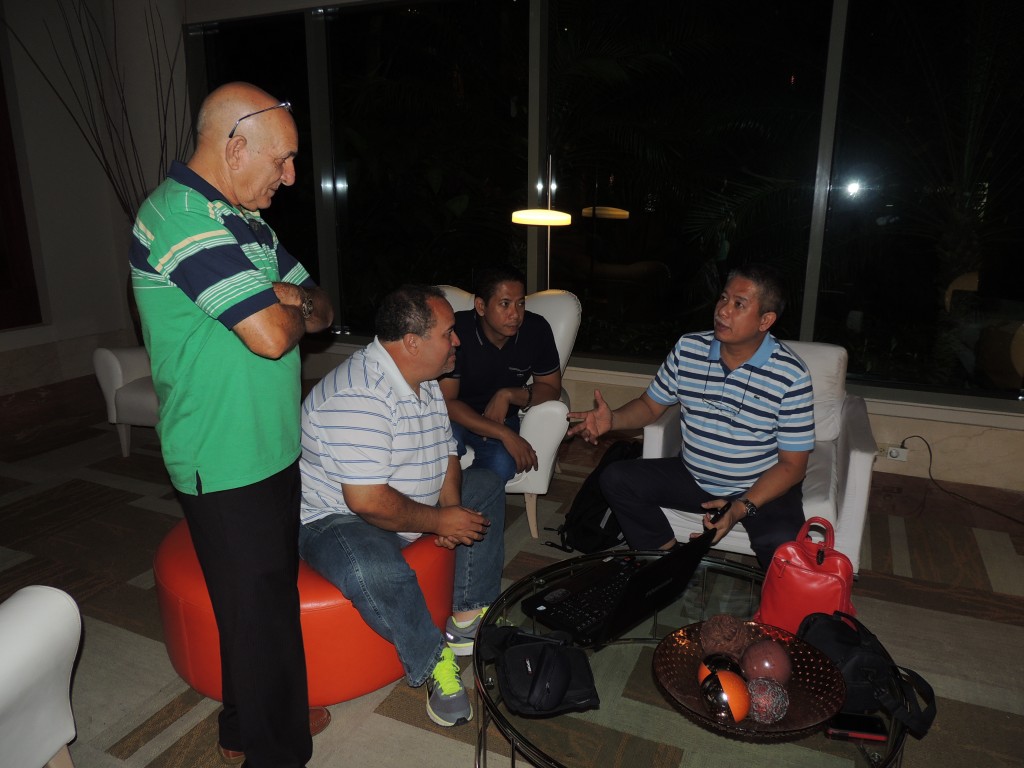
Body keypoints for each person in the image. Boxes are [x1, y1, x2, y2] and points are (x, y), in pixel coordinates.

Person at [129, 82, 334, 767]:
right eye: (284, 160)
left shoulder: (247, 220)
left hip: (272, 445)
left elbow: (322, 310)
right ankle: (278, 753)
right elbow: (276, 339)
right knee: (258, 609)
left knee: (256, 602)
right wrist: (283, 299)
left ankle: (244, 721)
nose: (292, 176)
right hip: (220, 454)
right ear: (234, 145)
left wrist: (285, 296)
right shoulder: (180, 217)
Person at [298, 284, 506, 727]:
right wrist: (438, 520)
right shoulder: (357, 396)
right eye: (449, 332)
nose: (458, 341)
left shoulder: (422, 379)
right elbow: (369, 502)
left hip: (405, 499)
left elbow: (447, 451)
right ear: (412, 342)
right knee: (373, 567)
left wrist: (450, 509)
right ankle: (434, 663)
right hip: (341, 517)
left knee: (485, 484)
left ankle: (468, 616)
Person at [568, 263, 814, 569]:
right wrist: (613, 420)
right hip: (694, 476)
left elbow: (793, 466)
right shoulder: (689, 349)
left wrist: (739, 508)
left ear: (765, 320)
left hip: (757, 484)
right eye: (723, 299)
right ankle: (669, 564)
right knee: (616, 479)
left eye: (739, 304)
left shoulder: (791, 375)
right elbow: (649, 406)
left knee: (783, 544)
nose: (723, 311)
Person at [440, 265, 562, 482]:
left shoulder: (536, 330)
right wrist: (504, 434)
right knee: (438, 451)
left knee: (502, 464)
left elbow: (552, 388)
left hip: (506, 417)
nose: (515, 314)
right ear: (481, 306)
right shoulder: (458, 331)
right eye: (505, 304)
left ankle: (467, 506)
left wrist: (508, 395)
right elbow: (447, 402)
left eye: (520, 303)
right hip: (455, 417)